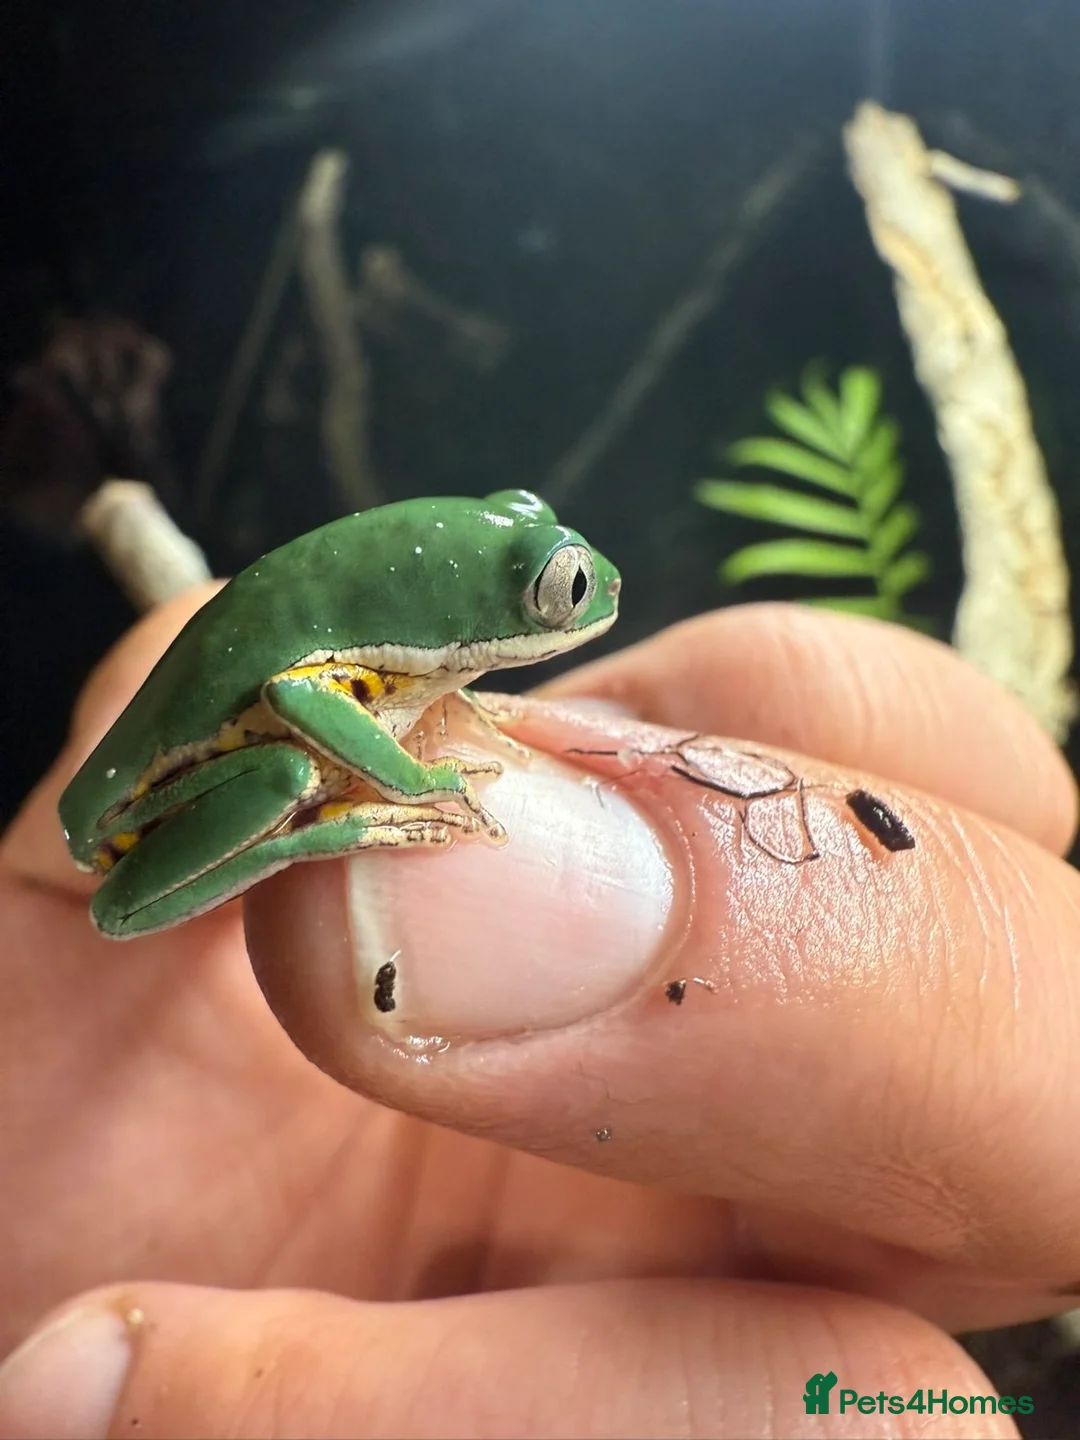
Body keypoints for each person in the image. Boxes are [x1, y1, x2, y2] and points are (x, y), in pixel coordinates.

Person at [0, 591, 1076, 1439]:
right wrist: (406, 787)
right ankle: (303, 831)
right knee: (288, 768)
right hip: (169, 800)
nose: (589, 599)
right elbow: (298, 707)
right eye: (556, 592)